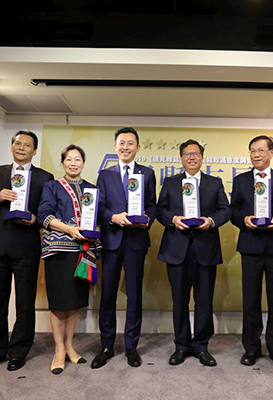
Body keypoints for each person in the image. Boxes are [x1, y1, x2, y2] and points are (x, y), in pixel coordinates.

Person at [0, 130, 54, 373]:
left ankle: (19, 352)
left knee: (25, 304)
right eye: (18, 143)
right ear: (11, 146)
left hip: (26, 246)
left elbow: (48, 211)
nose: (21, 148)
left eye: (27, 145)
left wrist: (35, 219)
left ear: (34, 151)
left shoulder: (45, 177)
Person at [156, 139, 231, 367]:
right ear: (181, 158)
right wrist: (173, 219)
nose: (191, 157)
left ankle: (201, 346)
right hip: (176, 249)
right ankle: (181, 345)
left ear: (202, 157)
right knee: (179, 299)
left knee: (204, 299)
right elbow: (160, 210)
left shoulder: (214, 183)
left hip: (205, 249)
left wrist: (211, 221)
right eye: (187, 154)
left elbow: (225, 210)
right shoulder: (170, 182)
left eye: (196, 154)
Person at [230, 135, 273, 370]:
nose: (256, 154)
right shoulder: (240, 180)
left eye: (260, 150)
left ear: (271, 152)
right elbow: (232, 210)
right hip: (250, 246)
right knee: (250, 300)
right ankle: (251, 348)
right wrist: (244, 219)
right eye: (252, 151)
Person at [91, 127, 156, 368]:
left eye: (130, 143)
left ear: (137, 147)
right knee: (107, 293)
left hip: (136, 241)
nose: (126, 147)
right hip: (112, 240)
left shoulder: (147, 173)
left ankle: (131, 346)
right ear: (115, 147)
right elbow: (99, 206)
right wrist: (112, 217)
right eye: (122, 143)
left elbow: (153, 205)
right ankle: (107, 346)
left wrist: (148, 218)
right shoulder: (105, 175)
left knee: (134, 294)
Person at [37, 144, 98, 374]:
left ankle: (70, 346)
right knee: (58, 302)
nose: (73, 163)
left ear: (83, 163)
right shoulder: (52, 186)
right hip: (59, 252)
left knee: (74, 302)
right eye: (69, 159)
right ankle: (59, 349)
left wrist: (95, 228)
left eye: (77, 159)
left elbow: (96, 217)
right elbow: (44, 215)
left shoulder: (91, 188)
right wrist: (70, 229)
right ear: (62, 163)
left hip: (83, 252)